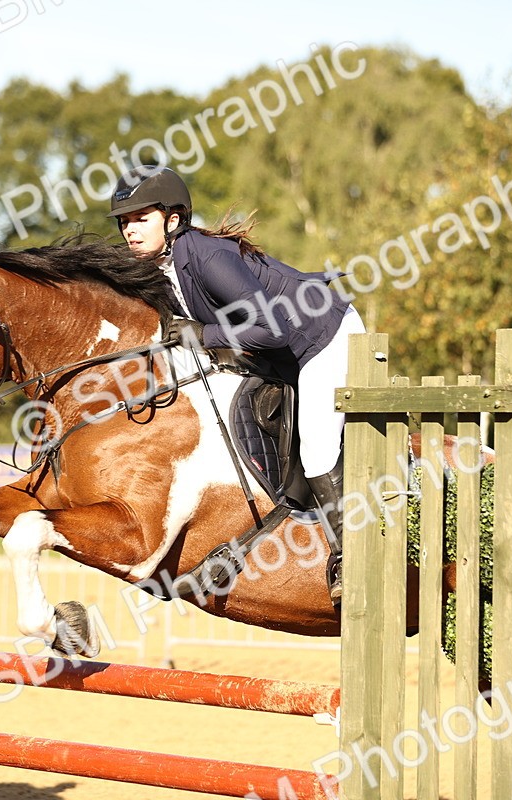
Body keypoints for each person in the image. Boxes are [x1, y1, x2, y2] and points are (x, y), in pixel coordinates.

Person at [108, 165, 366, 605]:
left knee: (318, 445)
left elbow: (272, 329)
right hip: (282, 352)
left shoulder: (207, 256)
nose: (130, 230)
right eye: (124, 222)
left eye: (140, 218)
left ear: (173, 220)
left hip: (322, 336)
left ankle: (354, 557)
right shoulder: (163, 266)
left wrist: (202, 335)